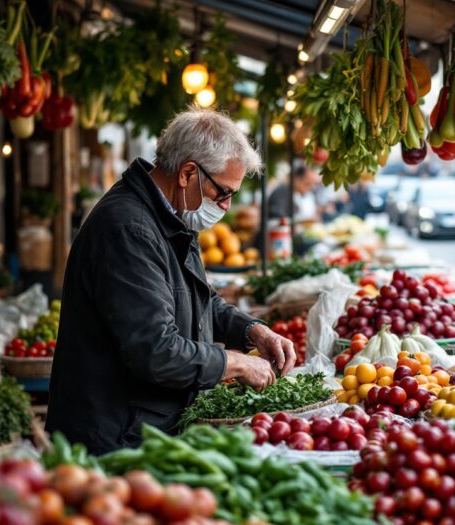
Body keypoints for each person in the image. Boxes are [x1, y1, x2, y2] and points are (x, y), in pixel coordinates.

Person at [46, 108, 296, 453]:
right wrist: (236, 363)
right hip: (113, 440)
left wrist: (252, 330)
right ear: (188, 173)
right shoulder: (128, 230)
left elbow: (195, 296)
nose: (226, 206)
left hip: (141, 428)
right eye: (222, 192)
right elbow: (155, 350)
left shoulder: (171, 216)